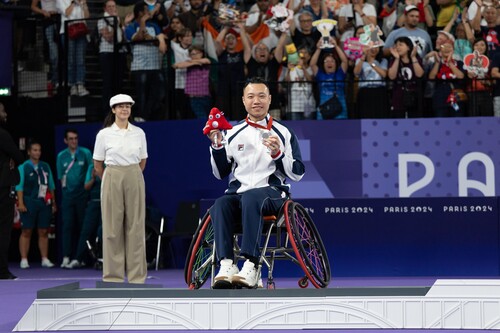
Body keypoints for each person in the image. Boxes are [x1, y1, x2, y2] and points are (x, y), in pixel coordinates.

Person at [207, 77, 305, 289]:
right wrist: (216, 147)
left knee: (252, 197)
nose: (256, 101)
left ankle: (251, 265)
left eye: (261, 96)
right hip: (240, 194)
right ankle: (226, 264)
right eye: (251, 96)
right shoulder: (232, 134)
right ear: (244, 101)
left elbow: (298, 173)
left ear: (269, 99)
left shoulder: (283, 132)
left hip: (273, 194)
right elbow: (220, 173)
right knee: (221, 204)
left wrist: (278, 153)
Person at [93, 94, 148, 283]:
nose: (124, 109)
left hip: (134, 173)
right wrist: (111, 177)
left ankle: (137, 276)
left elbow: (142, 161)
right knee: (111, 226)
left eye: (128, 106)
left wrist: (130, 174)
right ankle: (112, 277)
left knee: (136, 226)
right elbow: (98, 164)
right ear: (113, 110)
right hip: (112, 174)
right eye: (120, 106)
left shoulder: (139, 133)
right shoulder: (104, 134)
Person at [16, 141, 57, 269]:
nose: (37, 152)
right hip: (29, 201)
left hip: (44, 202)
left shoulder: (45, 166)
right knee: (26, 231)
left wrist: (53, 203)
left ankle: (44, 258)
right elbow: (19, 186)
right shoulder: (23, 167)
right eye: (34, 150)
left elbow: (51, 186)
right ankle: (24, 259)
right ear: (29, 152)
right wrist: (21, 203)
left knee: (44, 230)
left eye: (39, 150)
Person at [125, 1, 168, 121]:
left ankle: (149, 116)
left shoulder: (154, 26)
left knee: (159, 93)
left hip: (155, 65)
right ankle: (140, 117)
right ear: (140, 13)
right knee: (141, 95)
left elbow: (161, 38)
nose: (149, 12)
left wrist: (154, 38)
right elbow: (137, 38)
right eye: (146, 10)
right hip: (139, 67)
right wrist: (143, 23)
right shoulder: (131, 27)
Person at [56, 128, 93, 268]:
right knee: (67, 226)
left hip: (82, 196)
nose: (74, 141)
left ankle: (81, 258)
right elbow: (61, 178)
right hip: (67, 197)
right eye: (71, 139)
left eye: (76, 138)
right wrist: (66, 193)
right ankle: (66, 256)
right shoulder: (61, 156)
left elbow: (91, 171)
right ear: (65, 141)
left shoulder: (85, 153)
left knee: (82, 227)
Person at [0, 103, 24, 280]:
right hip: (2, 189)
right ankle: (1, 270)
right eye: (3, 110)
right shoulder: (3, 134)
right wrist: (12, 160)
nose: (5, 113)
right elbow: (19, 156)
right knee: (3, 231)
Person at [67, 164, 102, 268]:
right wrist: (93, 178)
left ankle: (103, 258)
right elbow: (86, 186)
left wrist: (100, 176)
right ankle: (78, 258)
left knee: (103, 231)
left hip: (108, 203)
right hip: (94, 202)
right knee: (86, 231)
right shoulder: (92, 167)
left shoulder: (111, 166)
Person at [56, 0, 90, 96]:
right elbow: (66, 13)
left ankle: (80, 84)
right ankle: (72, 85)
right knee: (70, 60)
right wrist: (73, 3)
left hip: (81, 31)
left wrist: (84, 5)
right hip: (67, 31)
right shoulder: (60, 1)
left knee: (80, 59)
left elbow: (87, 16)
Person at [387, 36, 424, 118]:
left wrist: (413, 57)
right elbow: (392, 76)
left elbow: (419, 74)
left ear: (408, 47)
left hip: (414, 97)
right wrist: (397, 59)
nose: (398, 47)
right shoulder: (393, 60)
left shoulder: (416, 58)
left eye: (400, 45)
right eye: (396, 45)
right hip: (398, 97)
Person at [172, 45, 212, 119]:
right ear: (190, 55)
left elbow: (207, 61)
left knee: (207, 117)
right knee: (201, 118)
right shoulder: (189, 64)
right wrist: (194, 62)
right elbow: (176, 65)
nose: (195, 55)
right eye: (193, 54)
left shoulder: (205, 62)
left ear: (201, 54)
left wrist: (192, 61)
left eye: (197, 53)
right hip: (193, 98)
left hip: (205, 96)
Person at [31, 0, 60, 93]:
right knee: (53, 52)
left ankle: (58, 79)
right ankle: (54, 79)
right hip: (48, 21)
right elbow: (33, 6)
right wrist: (43, 12)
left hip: (60, 19)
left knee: (61, 51)